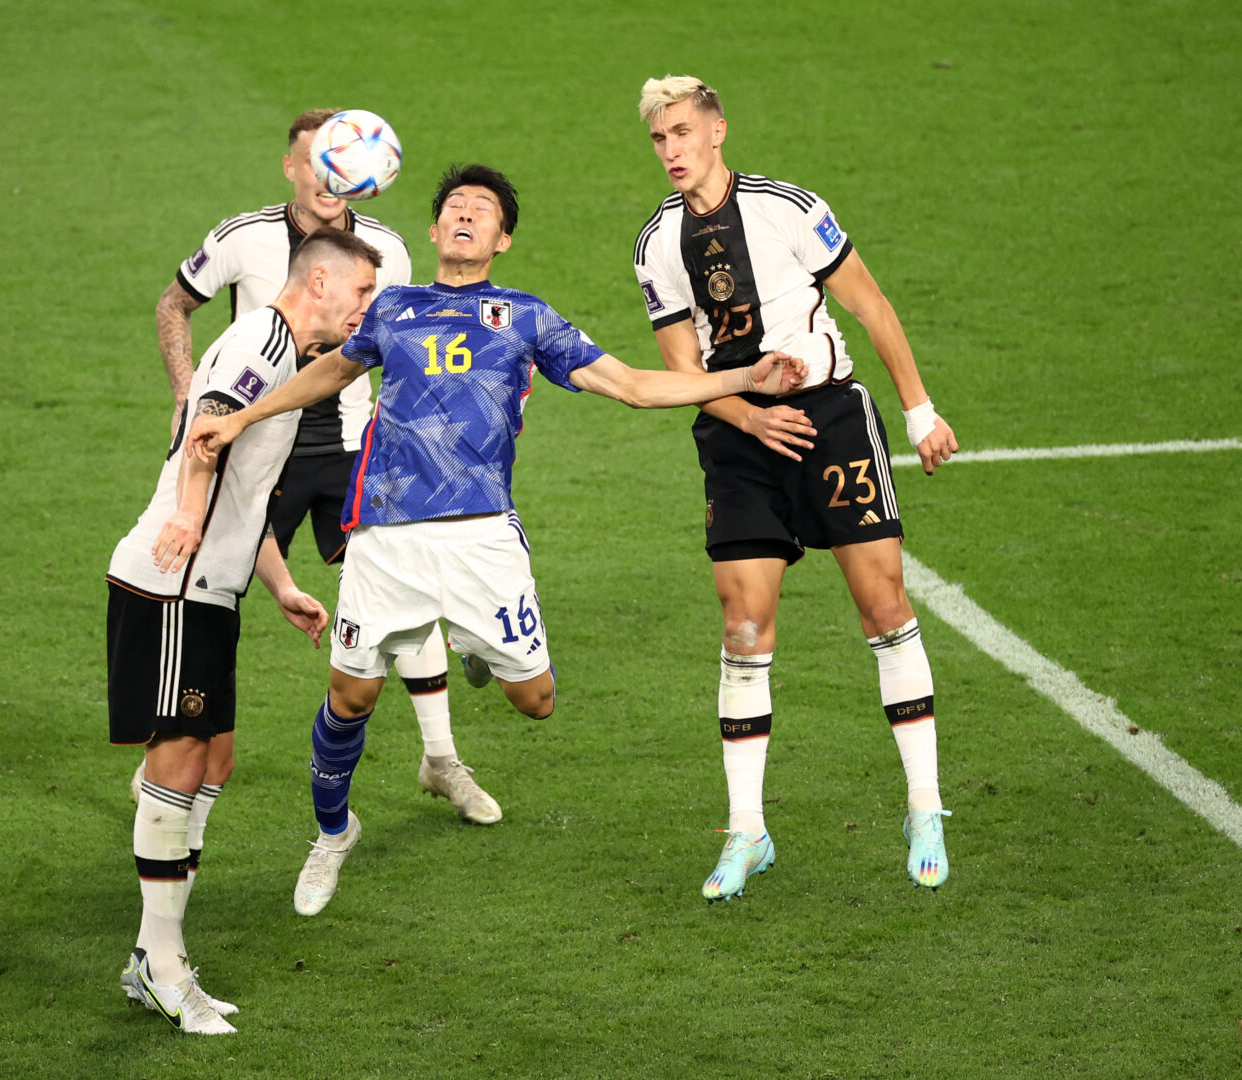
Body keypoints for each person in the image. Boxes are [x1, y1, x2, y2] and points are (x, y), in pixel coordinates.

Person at [186, 163, 807, 917]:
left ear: (501, 239)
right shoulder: (392, 308)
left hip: (482, 538)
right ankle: (332, 833)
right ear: (433, 230)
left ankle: (475, 646)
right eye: (454, 206)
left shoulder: (526, 318)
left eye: (481, 210)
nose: (465, 215)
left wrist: (744, 379)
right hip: (386, 534)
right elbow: (326, 376)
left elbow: (634, 386)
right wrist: (242, 417)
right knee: (348, 698)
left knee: (536, 702)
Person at [631, 75, 961, 901]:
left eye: (681, 132)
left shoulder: (787, 208)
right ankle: (747, 831)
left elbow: (871, 306)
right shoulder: (656, 242)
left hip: (829, 420)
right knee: (742, 626)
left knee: (883, 605)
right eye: (658, 138)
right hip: (737, 434)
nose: (670, 150)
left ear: (716, 131)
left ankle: (923, 806)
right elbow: (681, 372)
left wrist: (919, 412)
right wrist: (749, 418)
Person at [144, 109, 501, 826]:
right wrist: (188, 394)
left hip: (349, 447)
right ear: (293, 168)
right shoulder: (243, 237)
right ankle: (170, 743)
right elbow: (173, 305)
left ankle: (440, 760)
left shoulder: (386, 251)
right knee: (205, 590)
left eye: (344, 163)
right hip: (257, 450)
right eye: (318, 162)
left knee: (402, 593)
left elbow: (402, 346)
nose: (331, 177)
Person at [107, 229, 380, 1033]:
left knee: (214, 759)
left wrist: (281, 583)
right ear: (319, 281)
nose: (366, 307)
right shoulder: (260, 339)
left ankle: (153, 957)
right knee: (180, 758)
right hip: (173, 582)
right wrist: (189, 518)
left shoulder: (287, 357)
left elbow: (246, 488)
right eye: (361, 292)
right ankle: (161, 965)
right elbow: (208, 430)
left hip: (211, 588)